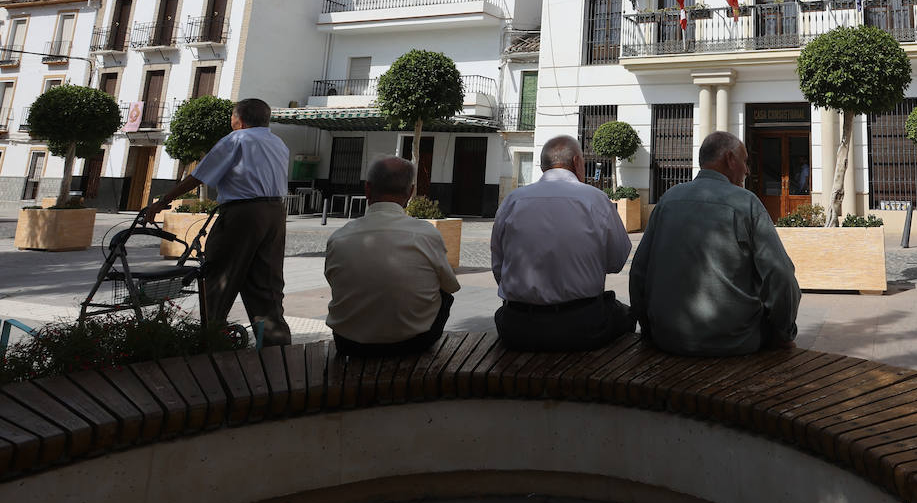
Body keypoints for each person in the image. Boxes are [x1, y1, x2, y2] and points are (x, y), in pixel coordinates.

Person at [630, 130, 801, 357]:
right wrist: (784, 332)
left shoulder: (668, 199)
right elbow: (781, 277)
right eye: (745, 161)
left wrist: (649, 329)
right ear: (730, 159)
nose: (747, 170)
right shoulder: (746, 202)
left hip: (667, 337)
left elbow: (638, 273)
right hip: (733, 341)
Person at [146, 98, 292, 346]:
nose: (231, 121)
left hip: (243, 213)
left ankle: (213, 336)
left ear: (240, 120)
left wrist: (162, 201)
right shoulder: (277, 143)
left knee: (220, 272)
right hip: (275, 213)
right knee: (266, 280)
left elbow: (198, 176)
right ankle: (275, 342)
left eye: (232, 116)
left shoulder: (236, 139)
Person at [490, 135, 634, 351]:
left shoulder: (513, 200)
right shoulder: (596, 199)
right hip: (581, 325)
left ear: (542, 165)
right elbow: (617, 261)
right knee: (626, 315)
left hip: (517, 326)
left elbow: (499, 268)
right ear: (576, 162)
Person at [324, 156, 460, 357]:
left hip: (349, 343)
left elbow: (333, 280)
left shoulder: (338, 237)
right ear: (410, 192)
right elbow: (450, 286)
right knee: (443, 296)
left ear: (367, 189)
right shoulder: (426, 234)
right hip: (412, 343)